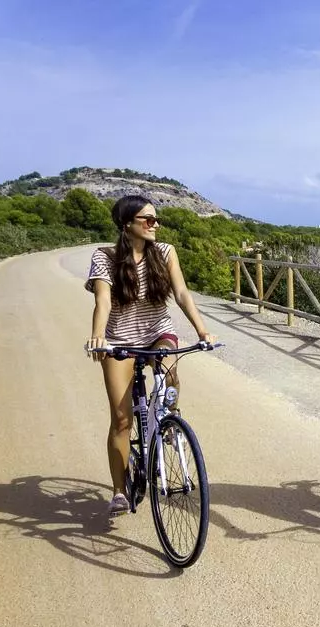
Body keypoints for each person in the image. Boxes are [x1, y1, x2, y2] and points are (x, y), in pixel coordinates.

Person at [84, 195, 216, 518]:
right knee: (122, 419)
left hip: (158, 332)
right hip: (118, 339)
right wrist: (98, 336)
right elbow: (102, 300)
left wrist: (202, 332)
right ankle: (118, 491)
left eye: (156, 219)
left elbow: (182, 293)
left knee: (170, 373)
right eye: (148, 220)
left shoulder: (166, 253)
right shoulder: (104, 258)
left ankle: (168, 416)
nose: (155, 225)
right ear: (127, 225)